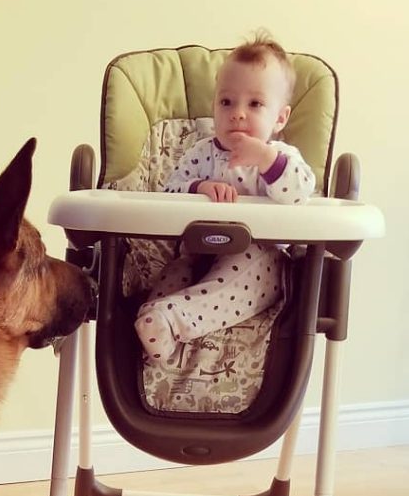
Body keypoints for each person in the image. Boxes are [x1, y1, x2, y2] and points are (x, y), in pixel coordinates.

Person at [135, 34, 316, 365]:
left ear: (280, 118)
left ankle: (172, 320)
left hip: (261, 259)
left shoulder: (282, 157)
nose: (238, 114)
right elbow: (167, 194)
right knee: (176, 271)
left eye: (256, 104)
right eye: (227, 102)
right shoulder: (201, 154)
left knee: (244, 271)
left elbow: (302, 192)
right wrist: (198, 188)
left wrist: (265, 160)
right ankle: (154, 319)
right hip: (198, 253)